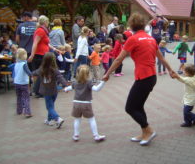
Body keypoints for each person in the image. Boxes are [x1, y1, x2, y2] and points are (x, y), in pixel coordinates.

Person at [103, 13, 175, 146]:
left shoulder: (133, 39)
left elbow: (119, 58)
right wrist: (171, 70)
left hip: (144, 78)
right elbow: (161, 58)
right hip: (151, 77)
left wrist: (107, 73)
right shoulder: (151, 39)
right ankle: (144, 133)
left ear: (131, 25)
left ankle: (149, 130)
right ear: (143, 25)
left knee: (130, 107)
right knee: (138, 106)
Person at [64, 65, 106, 142]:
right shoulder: (88, 82)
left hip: (76, 103)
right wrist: (103, 82)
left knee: (77, 120)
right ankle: (96, 136)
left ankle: (76, 135)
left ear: (77, 73)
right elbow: (96, 89)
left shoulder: (75, 82)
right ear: (88, 74)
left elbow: (69, 88)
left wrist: (65, 89)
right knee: (91, 119)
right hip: (86, 104)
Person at [32, 52, 68, 128]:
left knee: (49, 107)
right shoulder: (55, 70)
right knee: (51, 106)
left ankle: (58, 118)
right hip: (54, 91)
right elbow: (60, 78)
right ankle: (49, 120)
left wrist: (28, 72)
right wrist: (65, 86)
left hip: (46, 92)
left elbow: (34, 73)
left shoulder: (41, 69)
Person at [28, 15, 60, 98]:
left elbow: (46, 43)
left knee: (42, 73)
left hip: (43, 54)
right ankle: (38, 91)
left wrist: (54, 49)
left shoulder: (43, 31)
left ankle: (38, 91)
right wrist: (32, 55)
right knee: (41, 73)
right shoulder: (40, 31)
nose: (48, 23)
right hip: (39, 55)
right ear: (45, 22)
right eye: (47, 21)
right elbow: (35, 43)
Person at [14, 48, 32, 118]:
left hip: (17, 82)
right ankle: (27, 112)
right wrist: (33, 74)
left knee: (19, 97)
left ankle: (19, 110)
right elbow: (29, 73)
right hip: (24, 83)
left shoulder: (16, 64)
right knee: (26, 98)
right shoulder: (24, 64)